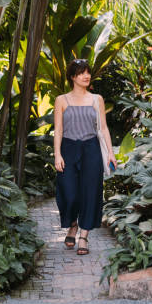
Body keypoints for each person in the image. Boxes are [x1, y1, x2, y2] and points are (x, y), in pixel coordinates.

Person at [53, 59, 116, 255]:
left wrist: (111, 153)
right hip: (68, 148)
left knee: (91, 193)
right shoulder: (61, 100)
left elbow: (103, 127)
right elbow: (59, 129)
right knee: (69, 194)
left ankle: (84, 237)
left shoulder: (97, 99)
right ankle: (73, 225)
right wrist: (57, 155)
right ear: (72, 77)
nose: (86, 76)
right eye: (81, 73)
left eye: (87, 72)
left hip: (91, 149)